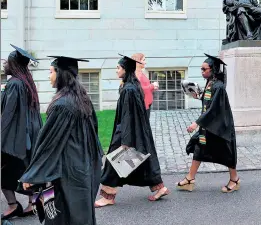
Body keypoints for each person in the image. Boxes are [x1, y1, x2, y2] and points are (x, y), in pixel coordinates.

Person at [20, 56, 103, 225]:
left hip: (65, 171)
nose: (48, 76)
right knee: (80, 214)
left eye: (51, 72)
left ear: (61, 74)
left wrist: (32, 174)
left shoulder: (62, 105)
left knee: (60, 215)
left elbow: (48, 144)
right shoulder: (82, 98)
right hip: (83, 166)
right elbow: (94, 131)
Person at [95, 54, 169, 207]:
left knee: (114, 162)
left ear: (125, 69)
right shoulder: (132, 86)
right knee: (143, 159)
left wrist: (126, 141)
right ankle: (159, 187)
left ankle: (108, 196)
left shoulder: (129, 89)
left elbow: (128, 116)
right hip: (137, 130)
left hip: (127, 132)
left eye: (118, 68)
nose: (116, 70)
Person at [177, 54, 238, 193]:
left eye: (204, 69)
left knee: (227, 152)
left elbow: (214, 109)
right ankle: (190, 178)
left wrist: (196, 123)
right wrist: (198, 96)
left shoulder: (219, 86)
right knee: (199, 146)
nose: (202, 71)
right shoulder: (210, 83)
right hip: (210, 125)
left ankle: (234, 179)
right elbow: (209, 102)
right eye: (201, 69)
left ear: (213, 69)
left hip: (220, 126)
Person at [1, 45, 42, 220]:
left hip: (15, 136)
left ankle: (13, 205)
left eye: (7, 62)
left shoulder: (15, 84)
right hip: (29, 133)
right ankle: (33, 203)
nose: (5, 64)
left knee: (5, 171)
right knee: (26, 169)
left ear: (14, 64)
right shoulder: (26, 82)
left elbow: (8, 113)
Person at [131, 53, 159, 117]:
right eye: (143, 60)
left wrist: (153, 87)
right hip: (142, 104)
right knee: (144, 125)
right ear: (138, 61)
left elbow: (144, 86)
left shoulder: (140, 72)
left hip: (146, 103)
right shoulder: (136, 74)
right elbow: (137, 89)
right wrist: (152, 85)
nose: (145, 62)